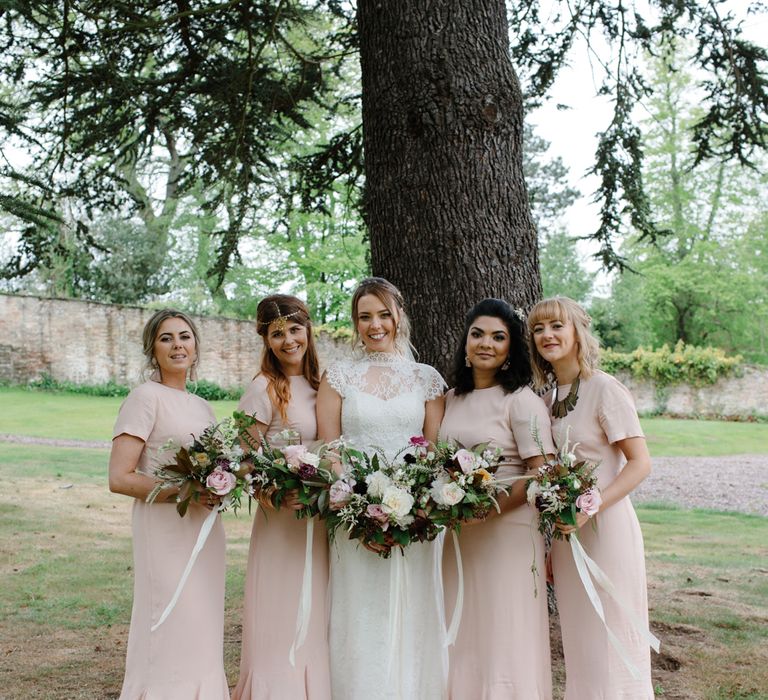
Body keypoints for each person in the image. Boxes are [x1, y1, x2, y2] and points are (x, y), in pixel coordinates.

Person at [316, 277, 447, 700]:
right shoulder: (338, 376)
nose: (375, 325)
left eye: (383, 314)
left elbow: (432, 451)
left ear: (399, 316)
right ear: (355, 323)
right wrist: (356, 508)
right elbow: (330, 449)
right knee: (361, 612)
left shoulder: (427, 379)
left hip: (416, 518)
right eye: (364, 316)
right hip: (354, 516)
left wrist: (413, 507)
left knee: (414, 609)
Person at [528, 296, 654, 699]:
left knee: (613, 634)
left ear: (577, 330)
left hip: (607, 529)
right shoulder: (546, 400)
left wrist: (593, 503)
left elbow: (639, 464)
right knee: (581, 641)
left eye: (556, 326)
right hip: (568, 537)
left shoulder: (605, 388)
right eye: (538, 329)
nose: (547, 335)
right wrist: (553, 541)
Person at [109, 309, 230, 699]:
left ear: (195, 348)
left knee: (201, 623)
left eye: (184, 337)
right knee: (169, 618)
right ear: (153, 349)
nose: (177, 345)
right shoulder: (144, 398)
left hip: (205, 531)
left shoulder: (202, 406)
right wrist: (185, 492)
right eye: (166, 338)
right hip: (164, 532)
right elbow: (120, 477)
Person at [440, 298, 554, 699]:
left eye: (498, 337)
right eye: (478, 334)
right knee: (464, 626)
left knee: (505, 626)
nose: (486, 343)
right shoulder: (450, 398)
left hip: (508, 530)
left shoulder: (522, 400)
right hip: (459, 534)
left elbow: (541, 472)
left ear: (510, 350)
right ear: (466, 342)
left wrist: (487, 509)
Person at [232, 295, 331, 700]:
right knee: (281, 612)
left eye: (294, 329)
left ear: (308, 330)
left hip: (321, 520)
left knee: (316, 609)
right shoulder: (262, 388)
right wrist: (274, 493)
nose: (288, 340)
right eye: (277, 334)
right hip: (281, 523)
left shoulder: (322, 384)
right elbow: (242, 460)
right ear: (266, 340)